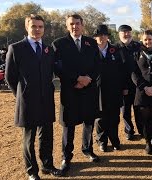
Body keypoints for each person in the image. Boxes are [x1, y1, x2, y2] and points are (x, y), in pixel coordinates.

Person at [5, 14, 62, 180]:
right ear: (27, 27)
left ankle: (47, 165)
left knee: (47, 136)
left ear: (43, 29)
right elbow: (10, 78)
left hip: (46, 100)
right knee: (28, 139)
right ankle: (32, 171)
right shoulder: (15, 48)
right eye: (34, 26)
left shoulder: (48, 49)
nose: (37, 30)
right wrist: (21, 96)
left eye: (40, 27)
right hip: (27, 102)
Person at [52, 14, 100, 174]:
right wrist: (77, 79)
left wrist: (88, 79)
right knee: (69, 125)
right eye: (71, 24)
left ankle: (87, 149)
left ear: (82, 24)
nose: (75, 26)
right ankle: (67, 156)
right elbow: (58, 68)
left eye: (78, 23)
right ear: (67, 26)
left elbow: (98, 64)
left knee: (88, 122)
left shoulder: (91, 43)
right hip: (70, 91)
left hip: (89, 89)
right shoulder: (58, 44)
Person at [93, 24, 126, 152]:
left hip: (114, 89)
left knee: (114, 117)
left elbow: (122, 70)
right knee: (100, 118)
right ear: (95, 37)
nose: (102, 37)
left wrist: (123, 87)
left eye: (104, 35)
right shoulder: (91, 51)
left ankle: (114, 140)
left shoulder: (115, 50)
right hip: (97, 90)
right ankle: (102, 141)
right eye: (99, 35)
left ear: (108, 36)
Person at [116, 25, 143, 140]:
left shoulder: (138, 46)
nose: (126, 34)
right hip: (124, 86)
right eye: (124, 32)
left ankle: (142, 130)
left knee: (139, 109)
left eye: (128, 32)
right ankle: (129, 130)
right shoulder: (115, 48)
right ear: (119, 34)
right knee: (125, 111)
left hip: (138, 85)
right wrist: (122, 86)